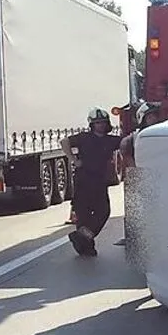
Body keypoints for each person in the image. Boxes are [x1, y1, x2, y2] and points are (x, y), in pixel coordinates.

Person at [60, 107, 122, 257]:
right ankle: (85, 247)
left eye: (103, 122)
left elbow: (126, 141)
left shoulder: (110, 140)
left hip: (99, 182)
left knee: (103, 212)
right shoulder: (83, 137)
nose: (100, 125)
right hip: (83, 181)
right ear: (92, 124)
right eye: (97, 123)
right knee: (83, 215)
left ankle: (81, 237)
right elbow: (64, 141)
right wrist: (73, 160)